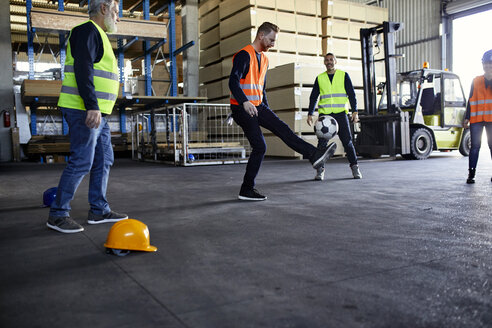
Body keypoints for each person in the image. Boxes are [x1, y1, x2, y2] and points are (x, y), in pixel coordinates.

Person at [229, 22, 337, 201]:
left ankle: (314, 156)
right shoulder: (244, 55)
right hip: (242, 108)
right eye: (271, 40)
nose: (273, 44)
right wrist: (244, 102)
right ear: (261, 36)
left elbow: (260, 88)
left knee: (283, 129)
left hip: (258, 106)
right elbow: (233, 82)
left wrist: (267, 110)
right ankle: (246, 189)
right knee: (260, 146)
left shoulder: (264, 59)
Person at [46, 0, 128, 233]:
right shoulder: (86, 31)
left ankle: (99, 209)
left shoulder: (99, 35)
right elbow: (83, 68)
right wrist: (92, 105)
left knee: (104, 158)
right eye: (115, 11)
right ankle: (58, 214)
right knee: (82, 160)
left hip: (96, 111)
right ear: (103, 9)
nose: (117, 17)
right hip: (84, 109)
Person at [307, 53, 362, 181]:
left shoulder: (343, 75)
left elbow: (351, 94)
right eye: (326, 60)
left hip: (340, 114)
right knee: (321, 144)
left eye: (331, 60)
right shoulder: (320, 78)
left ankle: (355, 167)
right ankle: (320, 171)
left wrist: (355, 111)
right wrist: (310, 113)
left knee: (347, 142)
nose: (329, 62)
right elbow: (313, 96)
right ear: (324, 63)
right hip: (325, 115)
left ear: (335, 61)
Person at [463, 49, 492, 184]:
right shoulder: (476, 80)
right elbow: (470, 100)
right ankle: (471, 174)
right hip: (476, 119)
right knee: (475, 146)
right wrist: (466, 117)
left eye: (490, 63)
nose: (487, 66)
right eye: (485, 63)